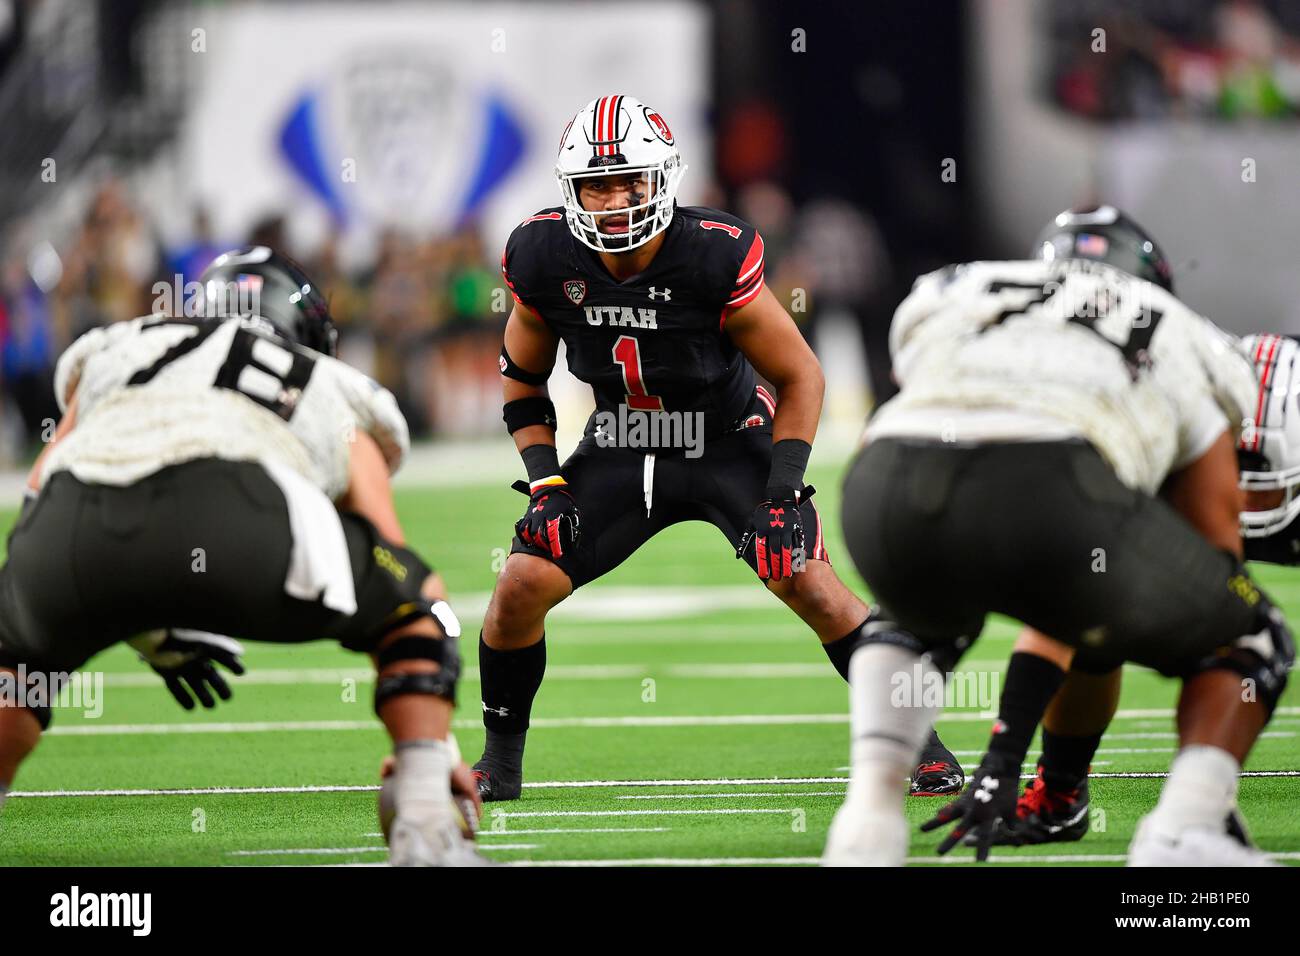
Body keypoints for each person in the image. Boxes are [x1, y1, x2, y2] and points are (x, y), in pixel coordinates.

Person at [472, 94, 962, 801]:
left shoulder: (710, 251)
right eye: (596, 185)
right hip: (620, 441)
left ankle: (924, 744)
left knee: (807, 582)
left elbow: (802, 376)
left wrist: (783, 493)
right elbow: (522, 380)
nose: (613, 201)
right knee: (518, 586)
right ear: (570, 191)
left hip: (725, 440)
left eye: (629, 182)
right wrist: (546, 484)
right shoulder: (542, 254)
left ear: (662, 180)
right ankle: (499, 766)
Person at [823, 205, 1291, 866]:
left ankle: (867, 822)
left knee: (912, 620)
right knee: (1250, 630)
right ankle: (1187, 829)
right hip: (1051, 485)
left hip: (880, 487)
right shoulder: (1181, 331)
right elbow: (1216, 543)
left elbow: (920, 394)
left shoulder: (957, 284)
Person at [0, 246, 481, 866]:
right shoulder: (321, 375)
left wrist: (132, 621)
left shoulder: (122, 343)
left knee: (17, 663)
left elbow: (42, 487)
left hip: (66, 535)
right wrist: (435, 747)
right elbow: (390, 545)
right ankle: (424, 827)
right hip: (243, 519)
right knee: (417, 608)